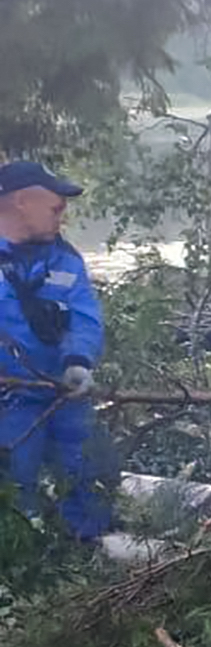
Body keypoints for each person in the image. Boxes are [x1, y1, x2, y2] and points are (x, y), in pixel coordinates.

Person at [0, 160, 113, 539]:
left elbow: (84, 317)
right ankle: (25, 565)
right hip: (9, 400)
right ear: (21, 202)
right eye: (55, 207)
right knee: (15, 483)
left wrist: (78, 361)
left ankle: (89, 550)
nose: (61, 217)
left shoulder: (64, 259)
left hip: (64, 394)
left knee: (86, 471)